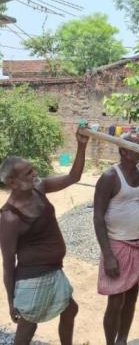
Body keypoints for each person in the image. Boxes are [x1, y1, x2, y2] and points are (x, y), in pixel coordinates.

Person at [0, 130, 89, 345]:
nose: (34, 174)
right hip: (33, 279)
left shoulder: (39, 188)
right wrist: (11, 301)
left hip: (54, 271)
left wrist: (81, 145)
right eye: (28, 173)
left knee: (70, 310)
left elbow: (73, 177)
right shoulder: (9, 217)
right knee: (26, 330)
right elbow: (8, 262)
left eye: (33, 169)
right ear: (12, 181)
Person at [93, 133, 139, 345]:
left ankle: (122, 340)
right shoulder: (109, 177)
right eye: (136, 146)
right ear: (123, 150)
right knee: (116, 301)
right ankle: (110, 343)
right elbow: (98, 218)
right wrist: (108, 256)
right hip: (117, 247)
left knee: (131, 297)